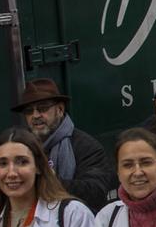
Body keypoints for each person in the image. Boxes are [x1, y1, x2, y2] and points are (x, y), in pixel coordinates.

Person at [11, 78, 115, 210]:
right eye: (29, 111)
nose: (35, 115)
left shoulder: (85, 146)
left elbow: (96, 193)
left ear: (60, 109)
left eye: (42, 108)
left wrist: (52, 181)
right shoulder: (19, 146)